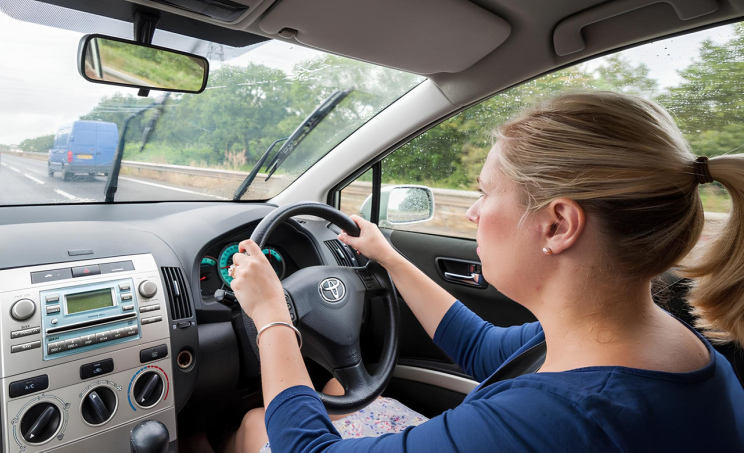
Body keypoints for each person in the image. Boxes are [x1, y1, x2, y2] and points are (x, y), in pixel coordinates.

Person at [225, 91, 744, 452]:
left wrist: (273, 315)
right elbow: (480, 348)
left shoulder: (561, 420)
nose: (473, 213)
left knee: (255, 425)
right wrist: (388, 257)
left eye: (485, 192)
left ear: (558, 224)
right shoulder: (647, 339)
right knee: (340, 393)